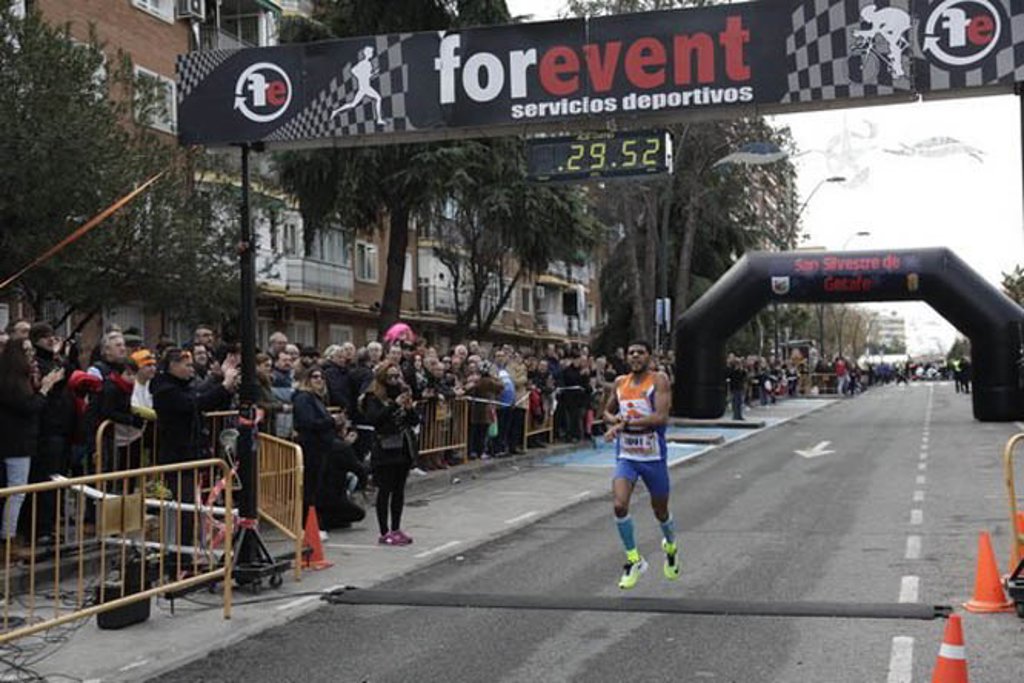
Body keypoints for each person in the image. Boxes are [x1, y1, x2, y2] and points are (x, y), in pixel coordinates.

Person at [602, 340, 676, 590]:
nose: (634, 356)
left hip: (653, 458)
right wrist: (615, 419)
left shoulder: (659, 380)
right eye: (631, 352)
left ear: (649, 357)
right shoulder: (620, 382)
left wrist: (625, 425)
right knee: (619, 505)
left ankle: (671, 546)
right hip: (628, 457)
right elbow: (607, 412)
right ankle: (634, 559)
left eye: (640, 353)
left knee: (660, 511)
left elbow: (660, 417)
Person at [0, 338, 63, 558]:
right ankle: (8, 539)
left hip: (22, 441)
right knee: (16, 492)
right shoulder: (10, 381)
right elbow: (29, 406)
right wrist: (45, 388)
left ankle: (10, 536)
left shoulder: (21, 379)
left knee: (17, 491)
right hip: (15, 443)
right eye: (26, 351)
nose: (31, 356)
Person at [359, 362, 419, 546]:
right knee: (384, 490)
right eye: (390, 377)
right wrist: (394, 405)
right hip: (384, 448)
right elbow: (375, 420)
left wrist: (409, 408)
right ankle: (384, 531)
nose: (394, 380)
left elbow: (414, 420)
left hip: (402, 447)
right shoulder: (373, 396)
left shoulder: (401, 392)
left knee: (399, 491)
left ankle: (396, 528)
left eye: (396, 376)